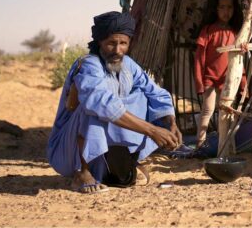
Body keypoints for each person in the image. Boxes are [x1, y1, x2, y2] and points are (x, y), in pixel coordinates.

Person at [47, 11, 182, 194]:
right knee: (94, 106)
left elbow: (157, 94)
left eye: (123, 43)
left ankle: (126, 161)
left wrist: (170, 123)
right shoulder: (89, 65)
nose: (118, 50)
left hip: (105, 143)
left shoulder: (129, 65)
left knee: (143, 97)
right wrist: (152, 130)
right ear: (100, 42)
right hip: (68, 148)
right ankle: (82, 172)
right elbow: (102, 103)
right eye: (111, 43)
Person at [194, 0, 246, 149]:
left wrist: (244, 85)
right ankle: (200, 145)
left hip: (228, 80)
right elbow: (199, 58)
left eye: (229, 7)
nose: (226, 11)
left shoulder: (236, 33)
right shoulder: (208, 31)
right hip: (210, 78)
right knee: (208, 110)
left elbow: (239, 62)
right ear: (215, 9)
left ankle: (227, 145)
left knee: (227, 113)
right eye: (222, 7)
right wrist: (199, 82)